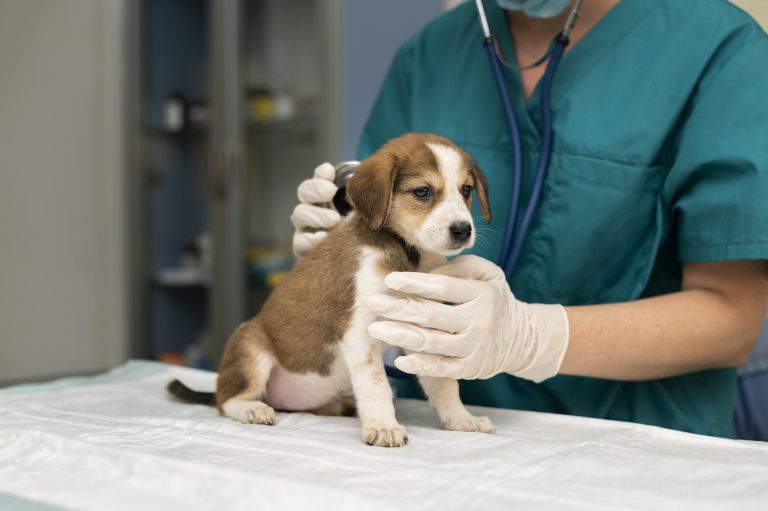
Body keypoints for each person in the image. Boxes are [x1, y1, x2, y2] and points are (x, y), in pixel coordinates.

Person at [291, 0, 768, 437]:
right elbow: (384, 225)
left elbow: (732, 319)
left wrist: (530, 338)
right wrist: (344, 243)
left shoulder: (718, 50)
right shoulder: (429, 56)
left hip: (636, 445)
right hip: (444, 436)